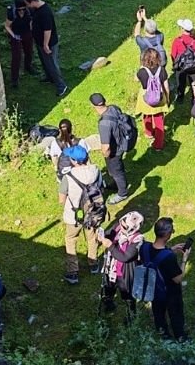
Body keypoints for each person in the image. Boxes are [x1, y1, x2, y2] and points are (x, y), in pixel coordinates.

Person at [139, 217, 191, 341]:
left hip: (153, 288)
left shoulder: (144, 247)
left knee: (158, 313)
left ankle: (164, 335)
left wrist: (170, 249)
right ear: (167, 234)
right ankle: (180, 337)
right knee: (176, 314)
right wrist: (184, 259)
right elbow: (177, 279)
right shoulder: (169, 258)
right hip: (169, 292)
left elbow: (154, 256)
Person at [59, 145, 103, 285]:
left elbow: (61, 200)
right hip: (93, 212)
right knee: (91, 237)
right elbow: (101, 188)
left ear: (74, 161)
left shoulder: (68, 177)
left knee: (71, 239)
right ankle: (94, 264)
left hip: (75, 215)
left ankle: (73, 273)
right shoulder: (96, 171)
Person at [97, 212, 145, 321]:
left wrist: (110, 246)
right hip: (111, 268)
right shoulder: (119, 226)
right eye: (121, 222)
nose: (121, 226)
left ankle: (131, 317)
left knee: (128, 296)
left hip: (125, 273)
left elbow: (125, 257)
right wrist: (102, 236)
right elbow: (109, 234)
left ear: (133, 228)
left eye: (124, 226)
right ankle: (108, 305)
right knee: (108, 289)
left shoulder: (138, 240)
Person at [91, 93, 134, 204]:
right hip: (122, 143)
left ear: (93, 106)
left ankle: (122, 193)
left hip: (114, 151)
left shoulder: (104, 123)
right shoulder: (114, 108)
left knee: (116, 172)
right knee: (117, 168)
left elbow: (106, 147)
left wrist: (106, 156)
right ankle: (117, 184)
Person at [24, 0, 67, 97]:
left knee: (52, 64)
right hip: (39, 42)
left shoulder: (45, 12)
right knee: (45, 62)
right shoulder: (36, 10)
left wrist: (46, 45)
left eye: (27, 4)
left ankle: (61, 85)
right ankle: (49, 77)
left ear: (33, 2)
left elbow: (48, 30)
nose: (27, 6)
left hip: (48, 43)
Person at [135, 48, 169, 151]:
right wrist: (167, 98)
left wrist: (141, 67)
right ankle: (158, 145)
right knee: (159, 120)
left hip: (146, 98)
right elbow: (166, 86)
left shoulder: (141, 71)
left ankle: (149, 133)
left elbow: (136, 79)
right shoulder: (162, 70)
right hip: (159, 97)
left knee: (146, 115)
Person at [3, 0, 35, 89]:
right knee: (16, 57)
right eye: (19, 9)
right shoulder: (11, 13)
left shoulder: (29, 11)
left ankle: (28, 67)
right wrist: (13, 35)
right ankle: (14, 79)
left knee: (29, 51)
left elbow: (31, 21)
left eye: (23, 9)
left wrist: (31, 30)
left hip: (27, 33)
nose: (21, 11)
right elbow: (7, 26)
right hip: (16, 34)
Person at [170, 19, 195, 104]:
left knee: (180, 83)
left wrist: (175, 64)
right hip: (193, 67)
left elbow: (173, 54)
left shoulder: (177, 40)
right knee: (194, 83)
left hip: (181, 67)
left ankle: (180, 98)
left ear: (182, 29)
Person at [45, 118, 87, 185]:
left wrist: (57, 169)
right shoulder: (81, 142)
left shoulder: (55, 143)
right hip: (80, 173)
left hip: (64, 175)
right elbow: (87, 159)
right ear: (71, 128)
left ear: (59, 130)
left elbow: (54, 160)